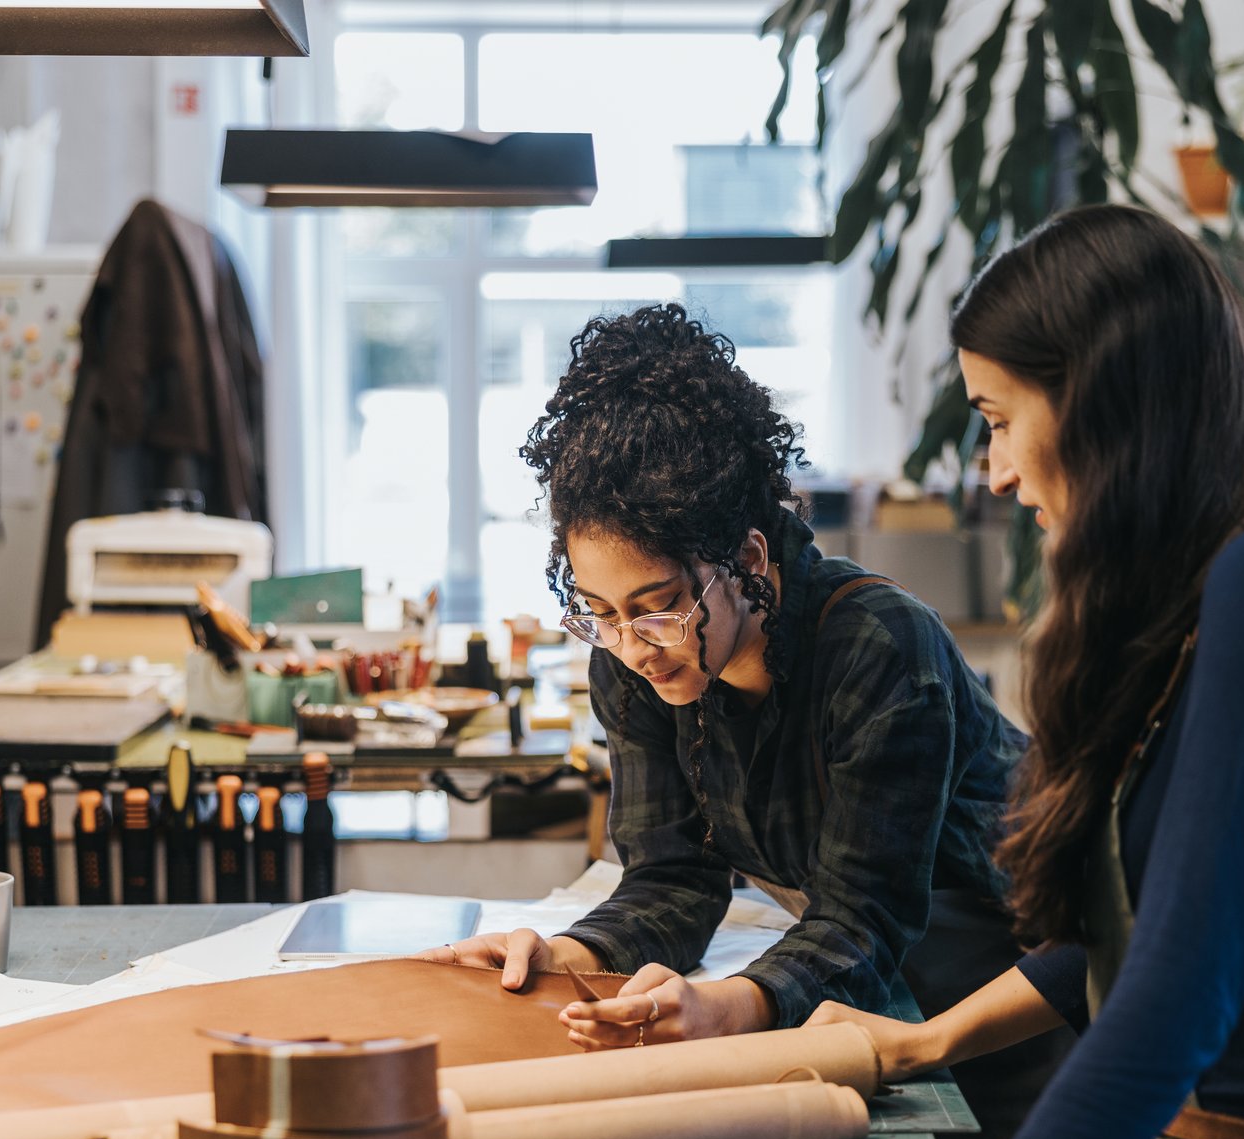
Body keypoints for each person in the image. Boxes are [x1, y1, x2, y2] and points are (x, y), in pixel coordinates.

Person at [730, 204, 1244, 1139]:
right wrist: (928, 1041)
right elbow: (1129, 933)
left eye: (996, 419)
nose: (992, 471)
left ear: (1099, 401)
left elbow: (1177, 988)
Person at [423, 303, 1026, 1053]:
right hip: (883, 986)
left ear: (746, 561)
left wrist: (725, 1009)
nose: (632, 648)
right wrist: (563, 959)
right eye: (600, 612)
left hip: (1016, 973)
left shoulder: (879, 647)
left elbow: (863, 919)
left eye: (659, 607)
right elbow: (672, 880)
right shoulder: (637, 661)